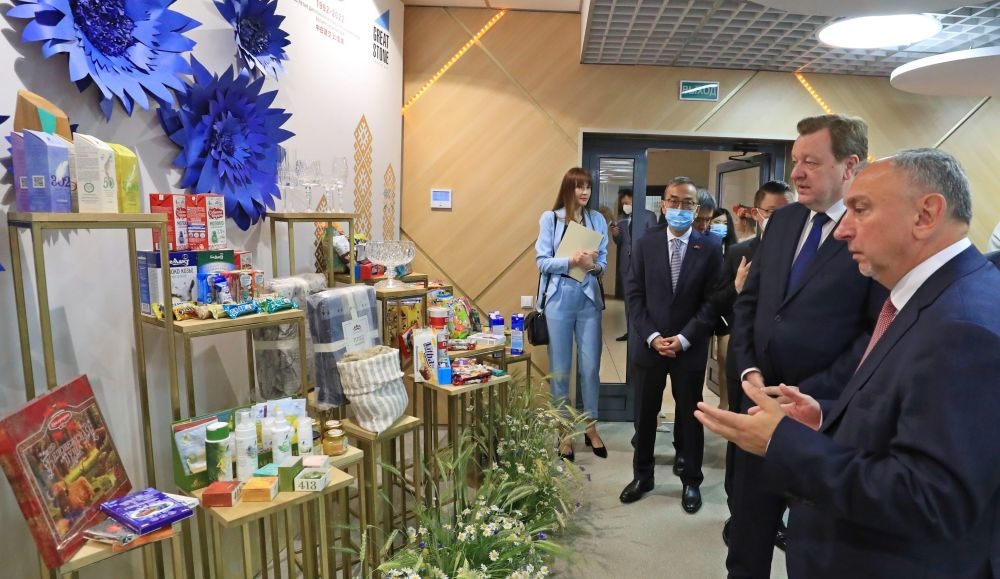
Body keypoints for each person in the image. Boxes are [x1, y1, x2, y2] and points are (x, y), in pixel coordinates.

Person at [696, 148, 1000, 579]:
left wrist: (783, 442)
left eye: (860, 209)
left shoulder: (962, 326)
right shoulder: (931, 296)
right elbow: (906, 412)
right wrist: (824, 417)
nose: (842, 230)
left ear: (926, 215)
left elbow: (930, 499)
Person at [725, 114, 885, 578]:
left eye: (810, 162)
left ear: (850, 166)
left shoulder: (870, 230)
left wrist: (808, 395)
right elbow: (750, 304)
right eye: (795, 161)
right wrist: (748, 371)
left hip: (823, 419)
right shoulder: (782, 221)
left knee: (812, 551)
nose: (796, 173)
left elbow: (874, 332)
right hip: (757, 408)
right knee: (746, 542)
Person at [619, 176, 723, 513]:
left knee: (690, 417)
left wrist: (683, 338)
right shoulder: (645, 244)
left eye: (687, 203)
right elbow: (634, 296)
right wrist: (652, 337)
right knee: (645, 414)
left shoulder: (710, 248)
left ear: (696, 209)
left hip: (688, 347)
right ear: (663, 205)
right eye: (674, 201)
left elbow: (712, 302)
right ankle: (643, 476)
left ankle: (691, 480)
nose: (680, 207)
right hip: (650, 346)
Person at [712, 180, 793, 546]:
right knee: (742, 438)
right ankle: (738, 511)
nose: (781, 219)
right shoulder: (739, 252)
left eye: (787, 211)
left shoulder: (802, 253)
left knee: (782, 440)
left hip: (785, 367)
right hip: (745, 360)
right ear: (758, 213)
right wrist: (737, 288)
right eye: (772, 212)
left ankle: (776, 516)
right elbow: (717, 302)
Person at [534, 167, 609, 461]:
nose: (585, 191)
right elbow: (542, 262)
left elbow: (603, 262)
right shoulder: (550, 219)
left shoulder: (597, 219)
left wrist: (593, 266)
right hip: (559, 298)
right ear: (568, 189)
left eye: (588, 186)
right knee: (560, 369)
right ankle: (563, 432)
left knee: (590, 367)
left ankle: (591, 427)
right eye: (579, 186)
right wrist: (570, 260)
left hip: (588, 298)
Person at [609, 188, 657, 341]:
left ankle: (644, 331)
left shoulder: (649, 215)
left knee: (644, 298)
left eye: (627, 203)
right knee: (628, 299)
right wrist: (615, 235)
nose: (625, 206)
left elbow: (654, 238)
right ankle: (630, 331)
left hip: (643, 263)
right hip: (625, 263)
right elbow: (619, 241)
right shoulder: (622, 219)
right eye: (623, 203)